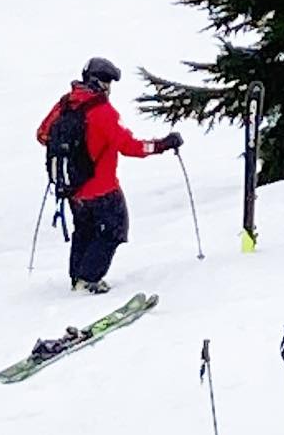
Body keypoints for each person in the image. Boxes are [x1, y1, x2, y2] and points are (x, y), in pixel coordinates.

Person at [37, 57, 182, 294]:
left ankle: (78, 278)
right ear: (99, 82)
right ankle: (89, 279)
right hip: (103, 189)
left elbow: (42, 134)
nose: (109, 86)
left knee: (84, 230)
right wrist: (162, 145)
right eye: (107, 80)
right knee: (113, 231)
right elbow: (129, 146)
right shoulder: (103, 112)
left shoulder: (65, 104)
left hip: (73, 189)